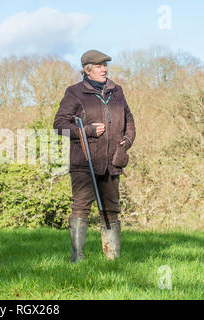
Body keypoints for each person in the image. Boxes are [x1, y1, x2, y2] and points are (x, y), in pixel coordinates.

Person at [53, 50, 136, 262]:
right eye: (99, 66)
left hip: (112, 162)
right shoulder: (74, 93)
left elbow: (130, 122)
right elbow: (59, 125)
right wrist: (87, 130)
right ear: (87, 70)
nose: (105, 69)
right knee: (81, 207)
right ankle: (77, 257)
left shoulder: (117, 91)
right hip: (84, 162)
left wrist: (125, 143)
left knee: (111, 209)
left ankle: (112, 259)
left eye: (105, 65)